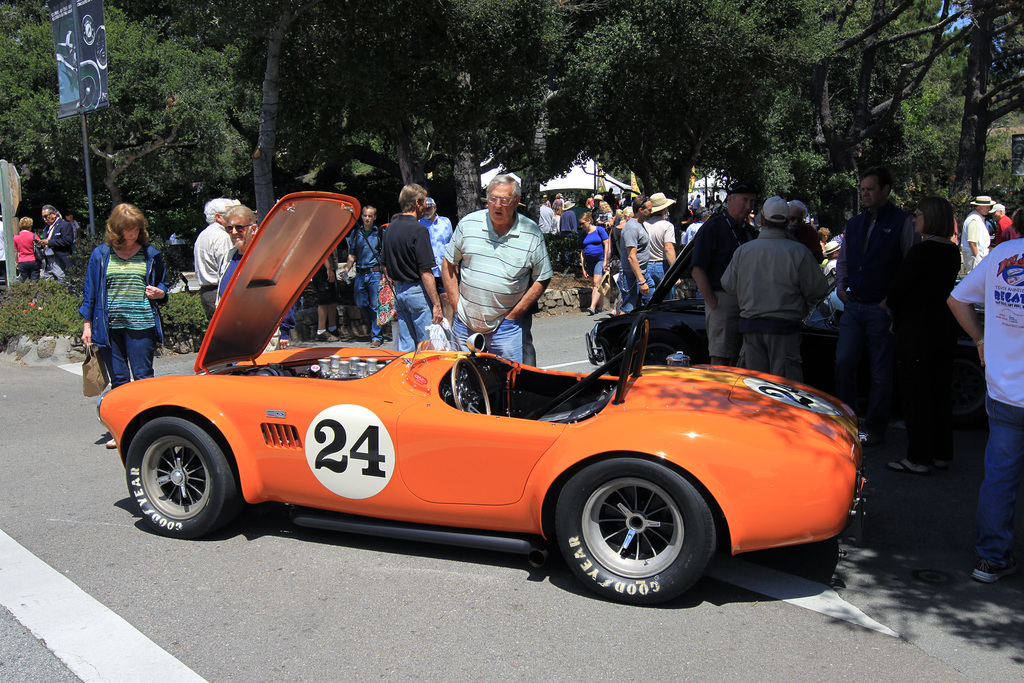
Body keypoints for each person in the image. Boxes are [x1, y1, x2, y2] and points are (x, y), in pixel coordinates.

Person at [948, 235, 1024, 583]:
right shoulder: (1002, 255)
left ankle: (991, 558)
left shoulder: (1003, 254)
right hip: (1004, 389)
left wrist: (980, 340)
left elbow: (957, 299)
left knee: (999, 478)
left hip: (1004, 388)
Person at [834, 166, 914, 446]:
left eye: (870, 189)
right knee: (844, 363)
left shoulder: (903, 221)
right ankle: (846, 423)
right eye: (863, 189)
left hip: (881, 308)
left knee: (881, 371)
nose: (865, 194)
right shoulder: (855, 223)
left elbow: (909, 265)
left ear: (885, 190)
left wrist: (891, 301)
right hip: (854, 305)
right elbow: (843, 259)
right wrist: (841, 289)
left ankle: (877, 428)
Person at [79, 204, 169, 448]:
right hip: (109, 327)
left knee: (143, 379)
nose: (133, 234)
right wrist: (87, 324)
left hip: (141, 324)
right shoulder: (101, 254)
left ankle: (147, 430)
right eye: (128, 229)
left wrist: (161, 292)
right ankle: (120, 431)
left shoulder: (150, 253)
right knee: (119, 380)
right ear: (116, 230)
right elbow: (90, 292)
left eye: (137, 229)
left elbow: (164, 283)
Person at [883, 197, 962, 475]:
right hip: (943, 328)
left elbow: (898, 289)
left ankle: (918, 458)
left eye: (918, 215)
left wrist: (890, 306)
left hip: (917, 330)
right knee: (939, 392)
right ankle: (941, 452)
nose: (914, 219)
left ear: (930, 218)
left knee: (916, 394)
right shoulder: (952, 252)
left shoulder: (921, 251)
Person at [443, 174, 552, 362]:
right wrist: (456, 304)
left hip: (505, 329)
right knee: (465, 380)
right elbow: (448, 263)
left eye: (504, 200)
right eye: (493, 198)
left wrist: (514, 314)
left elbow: (542, 277)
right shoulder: (469, 224)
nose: (497, 205)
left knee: (506, 385)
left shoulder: (531, 232)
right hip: (464, 324)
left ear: (516, 201)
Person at [721, 197, 829, 382]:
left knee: (753, 388)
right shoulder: (798, 252)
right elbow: (818, 289)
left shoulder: (744, 251)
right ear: (787, 222)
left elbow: (728, 284)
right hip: (785, 331)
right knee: (785, 390)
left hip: (752, 329)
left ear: (762, 220)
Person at [690, 181, 758, 365]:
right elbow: (697, 269)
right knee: (721, 356)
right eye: (745, 200)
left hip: (747, 302)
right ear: (730, 200)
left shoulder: (750, 232)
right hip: (723, 299)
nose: (748, 206)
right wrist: (714, 303)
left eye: (752, 201)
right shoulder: (713, 227)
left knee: (741, 358)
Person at [215, 205, 296, 349]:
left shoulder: (268, 257)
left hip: (262, 336)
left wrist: (284, 330)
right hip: (232, 335)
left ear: (253, 228)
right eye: (229, 228)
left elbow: (285, 294)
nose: (234, 232)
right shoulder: (228, 256)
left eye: (239, 227)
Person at [382, 184, 443, 352]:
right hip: (417, 291)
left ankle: (405, 376)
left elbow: (385, 265)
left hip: (399, 291)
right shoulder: (419, 230)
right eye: (424, 202)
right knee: (427, 346)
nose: (426, 206)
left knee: (406, 346)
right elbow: (426, 272)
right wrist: (437, 304)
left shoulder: (390, 228)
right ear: (417, 203)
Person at [342, 205, 386, 347]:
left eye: (370, 216)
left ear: (374, 217)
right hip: (360, 273)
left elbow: (385, 254)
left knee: (375, 306)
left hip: (375, 273)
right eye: (365, 215)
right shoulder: (356, 233)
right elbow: (352, 254)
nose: (367, 218)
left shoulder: (380, 233)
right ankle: (375, 324)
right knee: (361, 304)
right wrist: (346, 269)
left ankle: (377, 336)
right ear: (361, 217)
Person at [194, 197, 237, 318]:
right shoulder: (222, 237)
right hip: (219, 293)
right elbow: (227, 269)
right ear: (219, 217)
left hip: (206, 293)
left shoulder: (203, 235)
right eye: (231, 213)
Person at [420, 196, 455, 322]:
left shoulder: (445, 222)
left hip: (443, 266)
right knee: (430, 298)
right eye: (424, 209)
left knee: (446, 296)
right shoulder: (419, 224)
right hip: (428, 268)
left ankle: (448, 327)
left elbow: (451, 242)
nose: (426, 211)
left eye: (429, 208)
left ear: (435, 208)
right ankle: (434, 326)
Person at [619, 195, 654, 312]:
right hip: (631, 276)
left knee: (652, 303)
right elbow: (631, 256)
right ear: (640, 210)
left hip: (642, 273)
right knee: (628, 309)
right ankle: (618, 329)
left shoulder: (639, 225)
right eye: (649, 210)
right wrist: (641, 281)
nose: (651, 212)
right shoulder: (632, 228)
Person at [578, 212, 610, 315]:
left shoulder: (599, 230)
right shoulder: (583, 236)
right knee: (594, 284)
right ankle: (601, 306)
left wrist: (606, 260)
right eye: (580, 224)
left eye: (583, 223)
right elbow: (582, 252)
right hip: (590, 262)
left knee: (597, 282)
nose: (581, 226)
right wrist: (583, 267)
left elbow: (607, 244)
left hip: (600, 259)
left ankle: (592, 307)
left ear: (589, 221)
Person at [644, 192, 677, 288]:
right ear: (665, 209)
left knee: (649, 300)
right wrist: (674, 269)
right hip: (663, 264)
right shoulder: (667, 226)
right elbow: (668, 248)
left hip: (647, 264)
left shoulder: (644, 224)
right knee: (667, 300)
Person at [39, 205, 75, 281]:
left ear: (54, 214)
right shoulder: (47, 228)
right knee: (49, 280)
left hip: (60, 257)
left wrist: (49, 242)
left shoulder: (64, 225)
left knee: (62, 279)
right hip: (48, 259)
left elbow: (68, 241)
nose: (45, 219)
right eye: (43, 217)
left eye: (46, 216)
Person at [311, 251, 340, 341]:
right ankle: (321, 331)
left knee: (332, 299)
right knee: (323, 300)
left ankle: (332, 327)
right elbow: (323, 252)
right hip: (322, 270)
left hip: (330, 268)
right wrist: (328, 269)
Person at [962, 196, 994, 274]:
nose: (989, 209)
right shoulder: (974, 219)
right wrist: (977, 257)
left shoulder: (977, 218)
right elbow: (972, 242)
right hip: (976, 258)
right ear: (980, 207)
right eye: (987, 207)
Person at [13, 217, 41, 281]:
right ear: (30, 225)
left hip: (22, 261)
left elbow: (15, 251)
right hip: (33, 259)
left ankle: (26, 291)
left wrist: (16, 262)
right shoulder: (33, 235)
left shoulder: (16, 237)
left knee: (24, 281)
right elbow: (39, 245)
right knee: (35, 281)